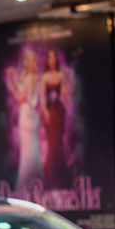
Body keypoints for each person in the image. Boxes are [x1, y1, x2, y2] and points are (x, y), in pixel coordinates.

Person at [4, 47, 42, 190]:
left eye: (32, 60)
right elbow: (21, 85)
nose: (30, 63)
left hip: (27, 114)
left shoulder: (30, 78)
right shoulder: (33, 77)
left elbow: (21, 97)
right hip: (31, 115)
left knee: (29, 152)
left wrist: (10, 86)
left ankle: (26, 183)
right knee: (30, 150)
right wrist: (13, 77)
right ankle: (33, 181)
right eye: (28, 61)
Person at [39, 49, 68, 188]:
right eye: (49, 57)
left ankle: (62, 175)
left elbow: (64, 93)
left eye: (53, 57)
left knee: (59, 142)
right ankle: (49, 177)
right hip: (50, 111)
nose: (52, 60)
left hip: (59, 109)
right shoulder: (45, 77)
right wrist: (45, 111)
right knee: (52, 143)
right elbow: (42, 96)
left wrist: (66, 92)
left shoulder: (60, 75)